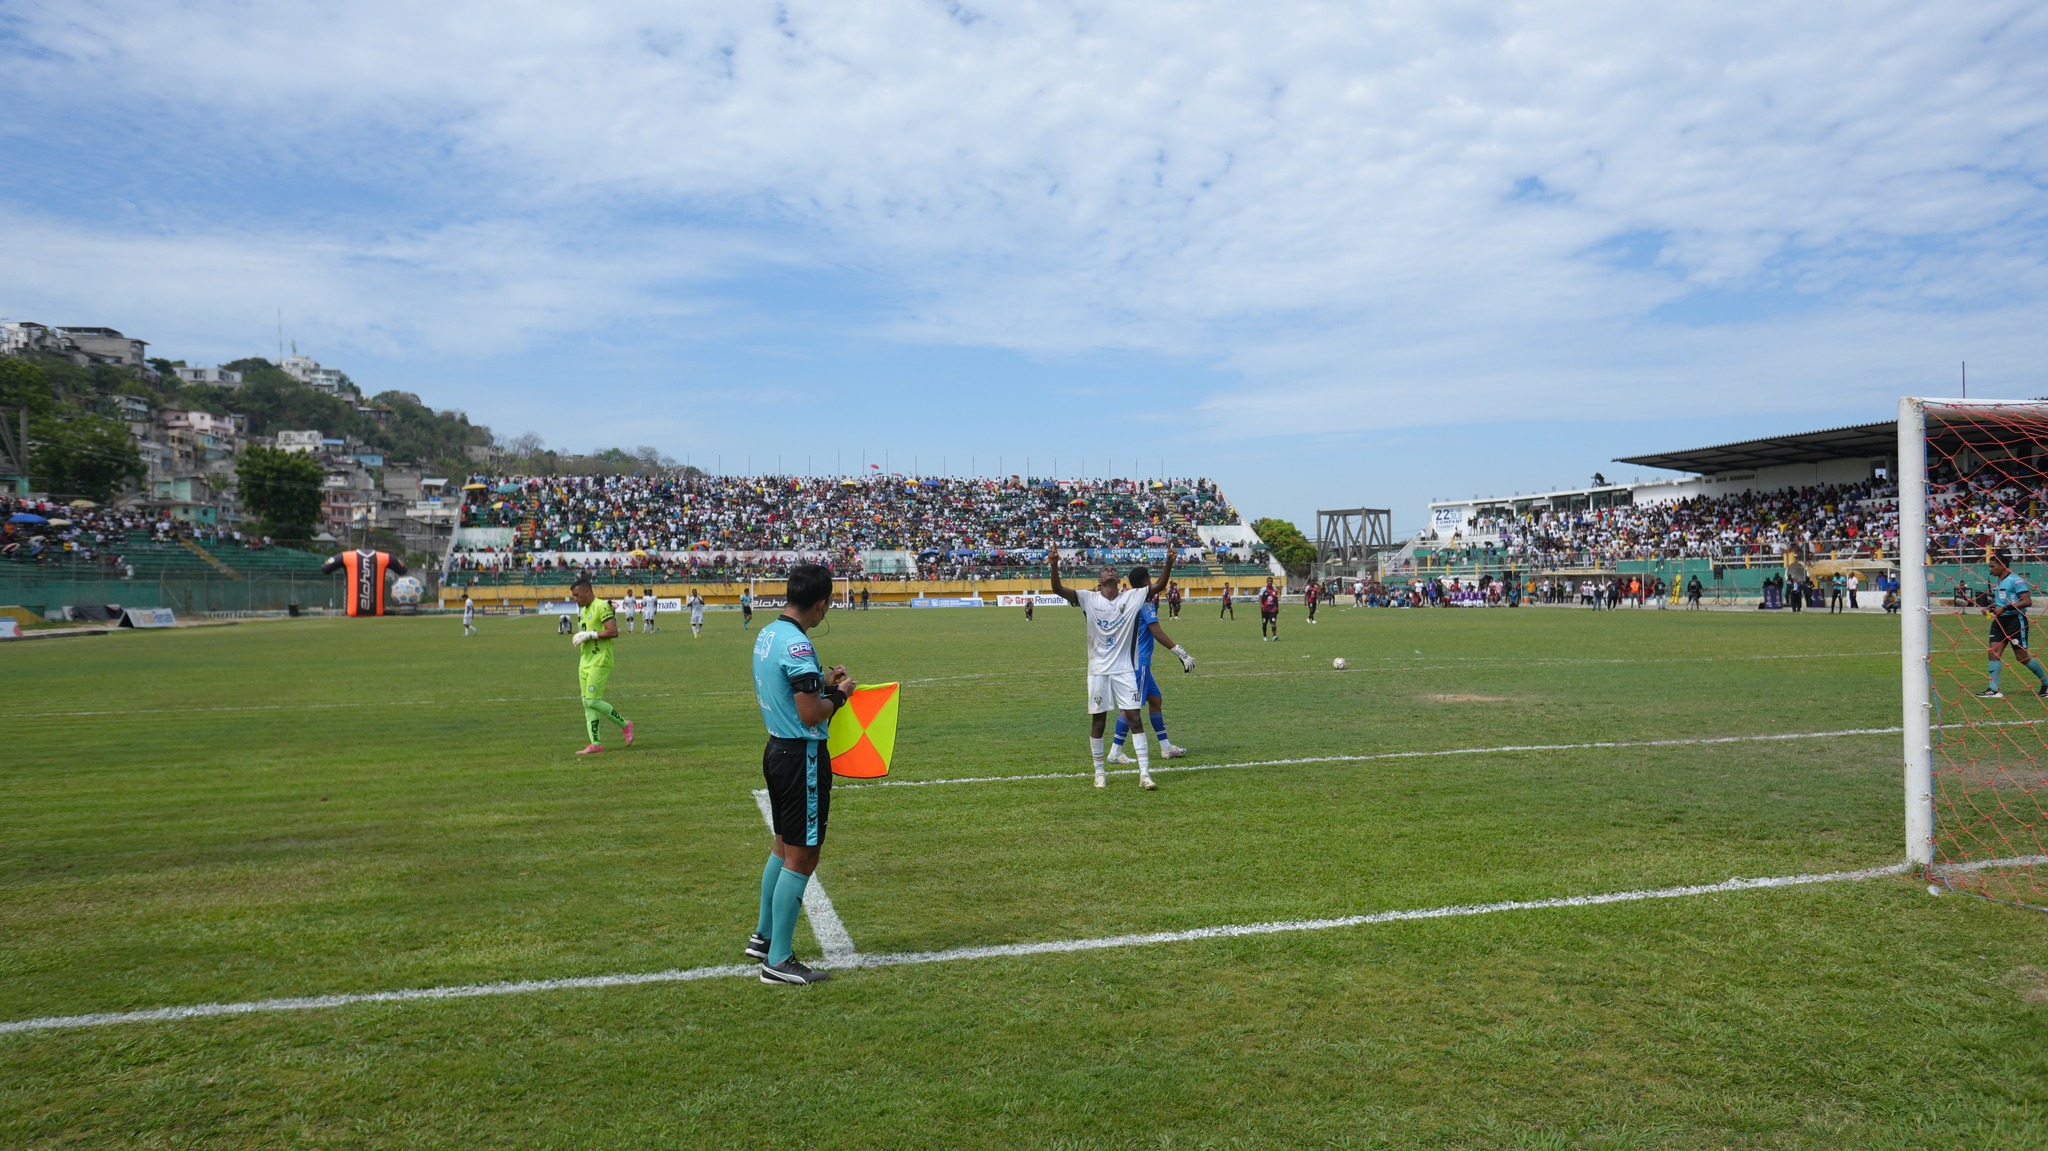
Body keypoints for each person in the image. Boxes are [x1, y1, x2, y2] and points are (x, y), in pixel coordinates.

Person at [745, 563, 853, 986]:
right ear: (822, 604)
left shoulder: (769, 634)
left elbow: (793, 695)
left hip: (776, 750)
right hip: (801, 756)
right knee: (803, 854)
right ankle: (779, 960)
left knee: (781, 846)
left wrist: (821, 684)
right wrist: (839, 697)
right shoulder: (799, 647)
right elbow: (810, 715)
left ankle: (763, 937)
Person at [1048, 543, 1175, 790]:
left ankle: (1145, 774)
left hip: (1125, 670)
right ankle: (1099, 773)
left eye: (1114, 569)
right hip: (1098, 671)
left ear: (1118, 579)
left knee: (1135, 718)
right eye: (1106, 569)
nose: (1111, 570)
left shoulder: (1132, 597)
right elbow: (1057, 588)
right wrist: (1054, 566)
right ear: (1099, 580)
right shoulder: (1088, 598)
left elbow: (1159, 585)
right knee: (1098, 723)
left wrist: (1169, 562)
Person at [1106, 593, 1194, 765]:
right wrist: (1181, 653)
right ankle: (1115, 752)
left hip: (1131, 661)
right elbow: (1157, 633)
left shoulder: (1127, 602)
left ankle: (1166, 747)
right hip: (1140, 665)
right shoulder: (1145, 605)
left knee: (1155, 700)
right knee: (1130, 708)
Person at [568, 574, 633, 756]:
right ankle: (595, 743)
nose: (576, 599)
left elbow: (613, 632)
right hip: (585, 661)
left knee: (592, 700)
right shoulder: (583, 610)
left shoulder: (601, 606)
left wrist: (590, 635)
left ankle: (625, 724)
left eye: (577, 595)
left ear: (587, 591)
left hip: (600, 660)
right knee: (586, 703)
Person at [1975, 550, 2048, 700]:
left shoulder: (2016, 580)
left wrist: (2005, 608)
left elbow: (2027, 601)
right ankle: (1994, 689)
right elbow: (2000, 601)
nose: (1990, 569)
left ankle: (2046, 683)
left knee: (2021, 657)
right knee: (1993, 652)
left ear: (2003, 566)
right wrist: (1990, 607)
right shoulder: (1998, 582)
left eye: (1993, 566)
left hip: (2016, 621)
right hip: (2000, 621)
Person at [1259, 576, 1280, 641]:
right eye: (1269, 581)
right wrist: (1261, 605)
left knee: (1273, 622)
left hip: (1272, 609)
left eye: (1271, 581)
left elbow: (1276, 600)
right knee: (1264, 623)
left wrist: (1277, 608)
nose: (1270, 582)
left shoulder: (1275, 589)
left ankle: (1274, 636)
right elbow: (1260, 598)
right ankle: (1265, 636)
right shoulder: (1263, 589)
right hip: (1265, 610)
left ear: (1272, 582)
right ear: (1267, 582)